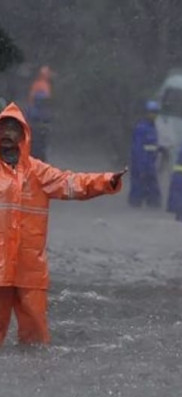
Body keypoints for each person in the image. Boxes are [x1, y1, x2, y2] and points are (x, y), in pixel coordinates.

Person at [0, 103, 126, 346]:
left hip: (30, 269)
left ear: (23, 135)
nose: (7, 134)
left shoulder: (37, 172)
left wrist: (106, 181)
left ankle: (34, 380)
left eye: (13, 129)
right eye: (2, 128)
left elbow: (71, 183)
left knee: (36, 340)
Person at [129, 100, 162, 208]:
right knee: (138, 187)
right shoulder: (142, 128)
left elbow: (153, 147)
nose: (154, 115)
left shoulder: (153, 128)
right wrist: (141, 166)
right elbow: (138, 149)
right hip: (141, 164)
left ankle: (151, 204)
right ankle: (135, 204)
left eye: (155, 112)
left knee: (152, 189)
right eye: (152, 112)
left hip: (150, 164)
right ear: (146, 113)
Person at [27, 66, 53, 161]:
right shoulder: (41, 85)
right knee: (38, 144)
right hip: (37, 122)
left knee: (39, 144)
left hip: (38, 122)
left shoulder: (41, 85)